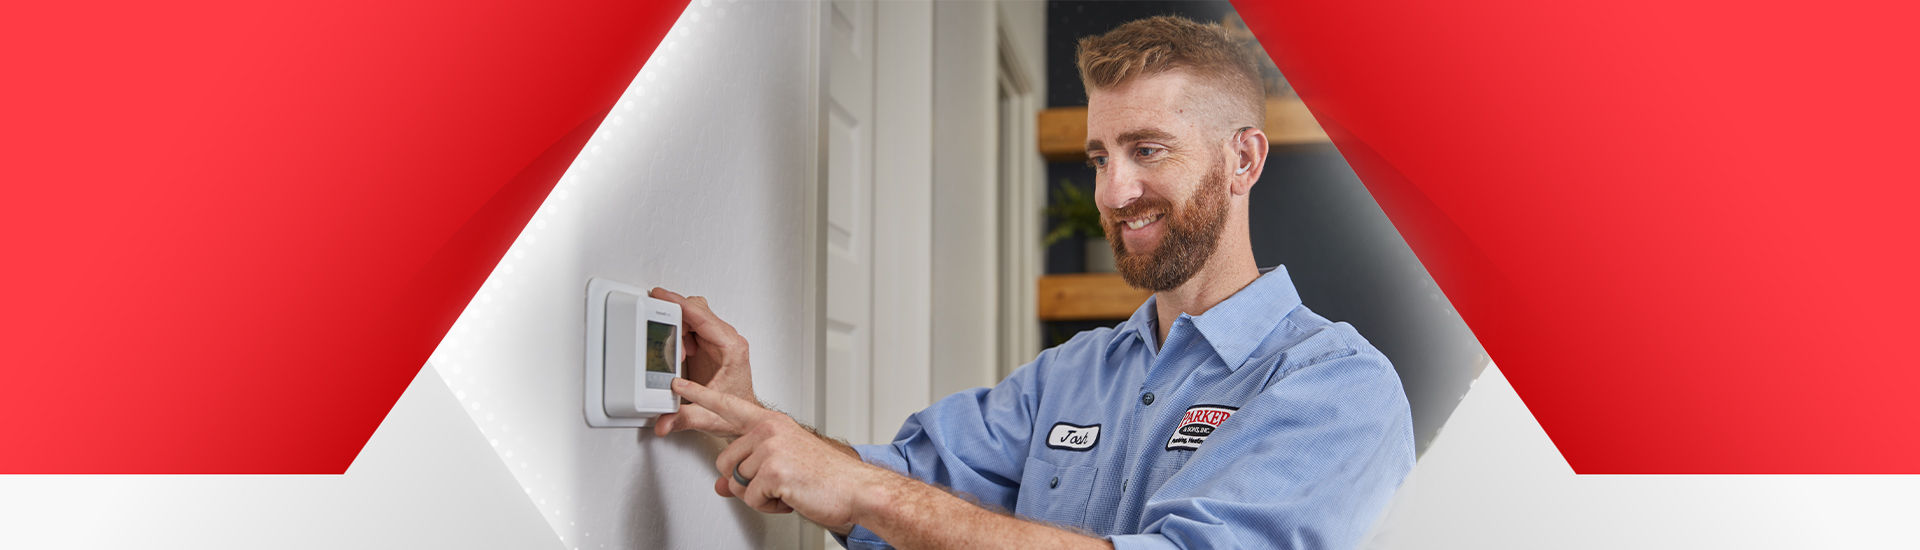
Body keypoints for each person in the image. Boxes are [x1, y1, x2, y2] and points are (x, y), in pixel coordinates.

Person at [649, 15, 1414, 550]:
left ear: (1244, 160)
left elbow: (878, 494)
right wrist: (744, 419)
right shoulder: (1070, 375)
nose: (1113, 193)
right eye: (1098, 157)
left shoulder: (1338, 388)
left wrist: (870, 495)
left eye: (1148, 150)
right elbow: (904, 478)